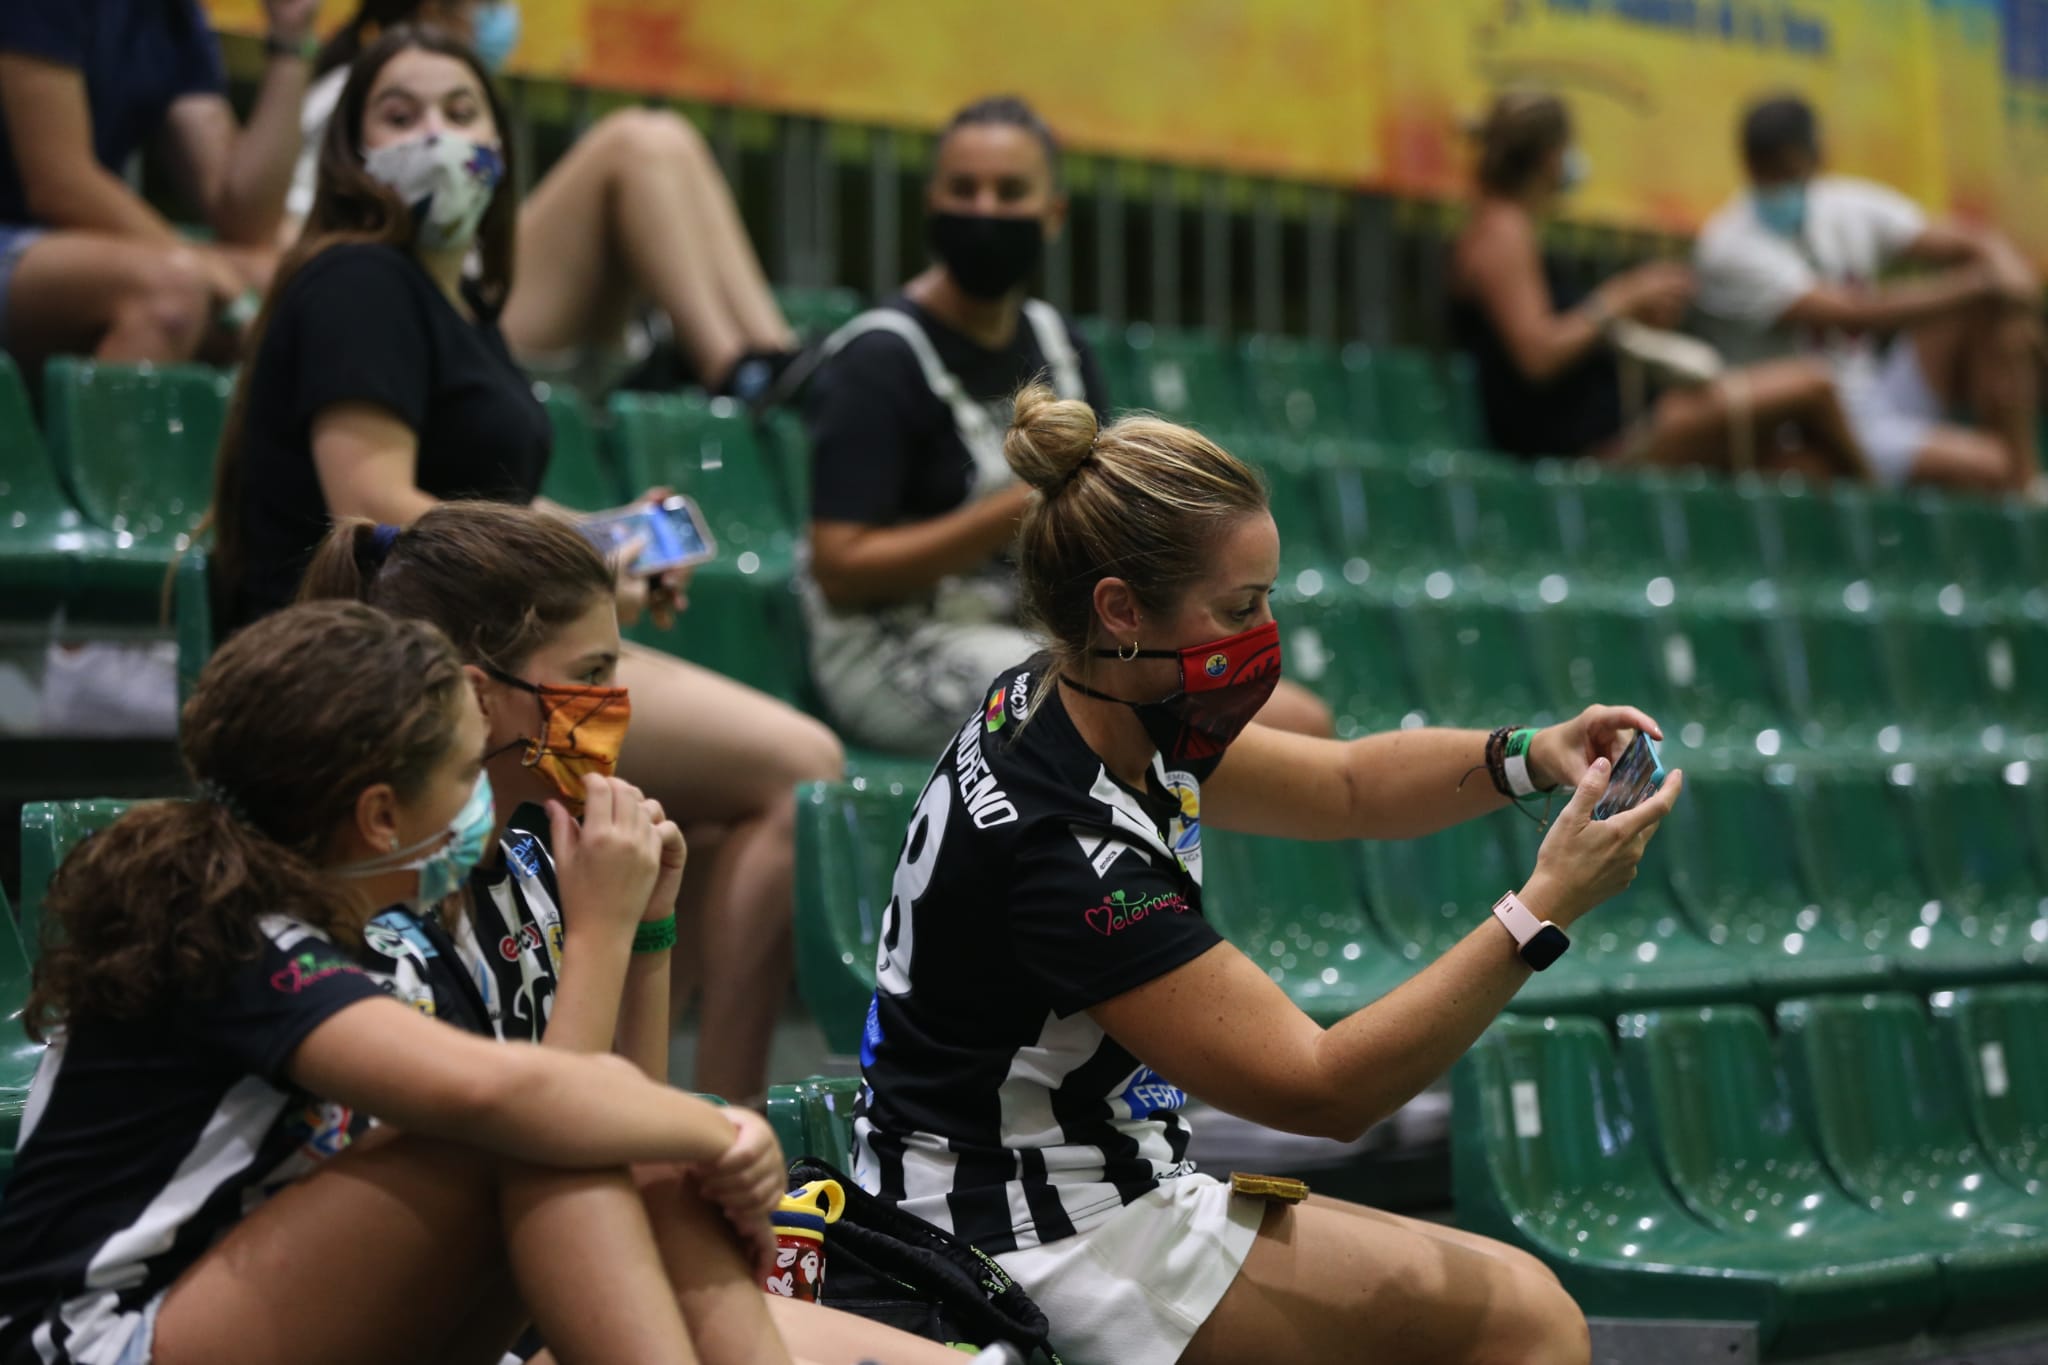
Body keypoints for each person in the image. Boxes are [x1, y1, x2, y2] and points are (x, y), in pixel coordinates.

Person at [852, 383, 1686, 1365]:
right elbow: (1321, 1091)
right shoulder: (1067, 853)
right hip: (1031, 1235)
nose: (1260, 636)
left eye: (1266, 600)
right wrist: (1542, 909)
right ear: (1119, 610)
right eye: (1237, 606)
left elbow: (1345, 787)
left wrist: (1531, 753)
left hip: (1050, 1182)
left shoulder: (1068, 696)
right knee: (1523, 1317)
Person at [205, 25, 841, 1102]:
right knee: (799, 767)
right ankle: (714, 1116)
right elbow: (374, 503)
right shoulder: (359, 281)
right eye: (398, 116)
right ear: (349, 155)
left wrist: (605, 532)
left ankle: (642, 1100)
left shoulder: (459, 307)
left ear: (501, 144)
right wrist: (585, 553)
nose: (436, 137)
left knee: (720, 821)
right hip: (383, 657)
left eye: (460, 112)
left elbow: (485, 496)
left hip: (489, 633)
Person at [0, 599, 801, 1365]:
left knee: (622, 1144)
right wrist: (726, 1130)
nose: (484, 799)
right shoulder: (235, 940)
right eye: (464, 773)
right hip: (102, 1338)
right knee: (533, 1133)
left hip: (252, 1306)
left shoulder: (348, 932)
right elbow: (509, 1099)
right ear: (381, 815)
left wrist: (683, 1124)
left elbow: (579, 1103)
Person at [297, 502, 979, 1365]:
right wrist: (604, 931)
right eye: (591, 671)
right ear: (479, 693)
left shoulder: (524, 863)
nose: (615, 704)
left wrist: (650, 929)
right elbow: (560, 1131)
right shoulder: (382, 899)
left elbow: (621, 1110)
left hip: (543, 1274)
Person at [803, 94, 1330, 756]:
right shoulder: (878, 357)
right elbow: (840, 569)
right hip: (898, 647)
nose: (985, 209)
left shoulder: (1058, 344)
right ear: (931, 204)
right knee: (1158, 714)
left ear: (1052, 215)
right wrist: (1011, 514)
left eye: (1010, 190)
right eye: (964, 189)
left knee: (1296, 716)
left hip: (1045, 631)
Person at [285, 0, 799, 402]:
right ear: (429, 11)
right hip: (445, 322)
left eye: (462, 114)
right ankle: (731, 371)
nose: (500, 15)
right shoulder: (344, 95)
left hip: (488, 308)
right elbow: (295, 239)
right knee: (633, 144)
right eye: (400, 119)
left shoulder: (465, 91)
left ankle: (777, 361)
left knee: (669, 134)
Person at [1451, 90, 1866, 478]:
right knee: (1816, 387)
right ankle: (1892, 518)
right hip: (1590, 444)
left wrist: (1635, 314)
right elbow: (1537, 355)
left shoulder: (1506, 227)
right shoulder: (1503, 232)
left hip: (1619, 422)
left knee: (1801, 464)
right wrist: (1621, 299)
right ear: (1550, 158)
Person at [1693, 94, 2041, 493]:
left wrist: (2002, 267)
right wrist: (1982, 284)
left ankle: (2026, 483)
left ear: (1815, 156)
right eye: (1766, 171)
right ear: (1748, 165)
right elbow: (1856, 313)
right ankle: (2017, 489)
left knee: (1995, 313)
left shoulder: (1843, 204)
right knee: (1989, 466)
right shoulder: (1727, 245)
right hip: (1812, 428)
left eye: (1787, 170)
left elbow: (1967, 241)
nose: (1778, 185)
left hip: (1874, 396)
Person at [0, 0, 313, 369]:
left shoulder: (174, 15)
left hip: (57, 249)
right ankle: (109, 428)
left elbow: (242, 216)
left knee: (292, 286)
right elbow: (60, 186)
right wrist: (205, 269)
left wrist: (291, 41)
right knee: (173, 292)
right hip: (22, 235)